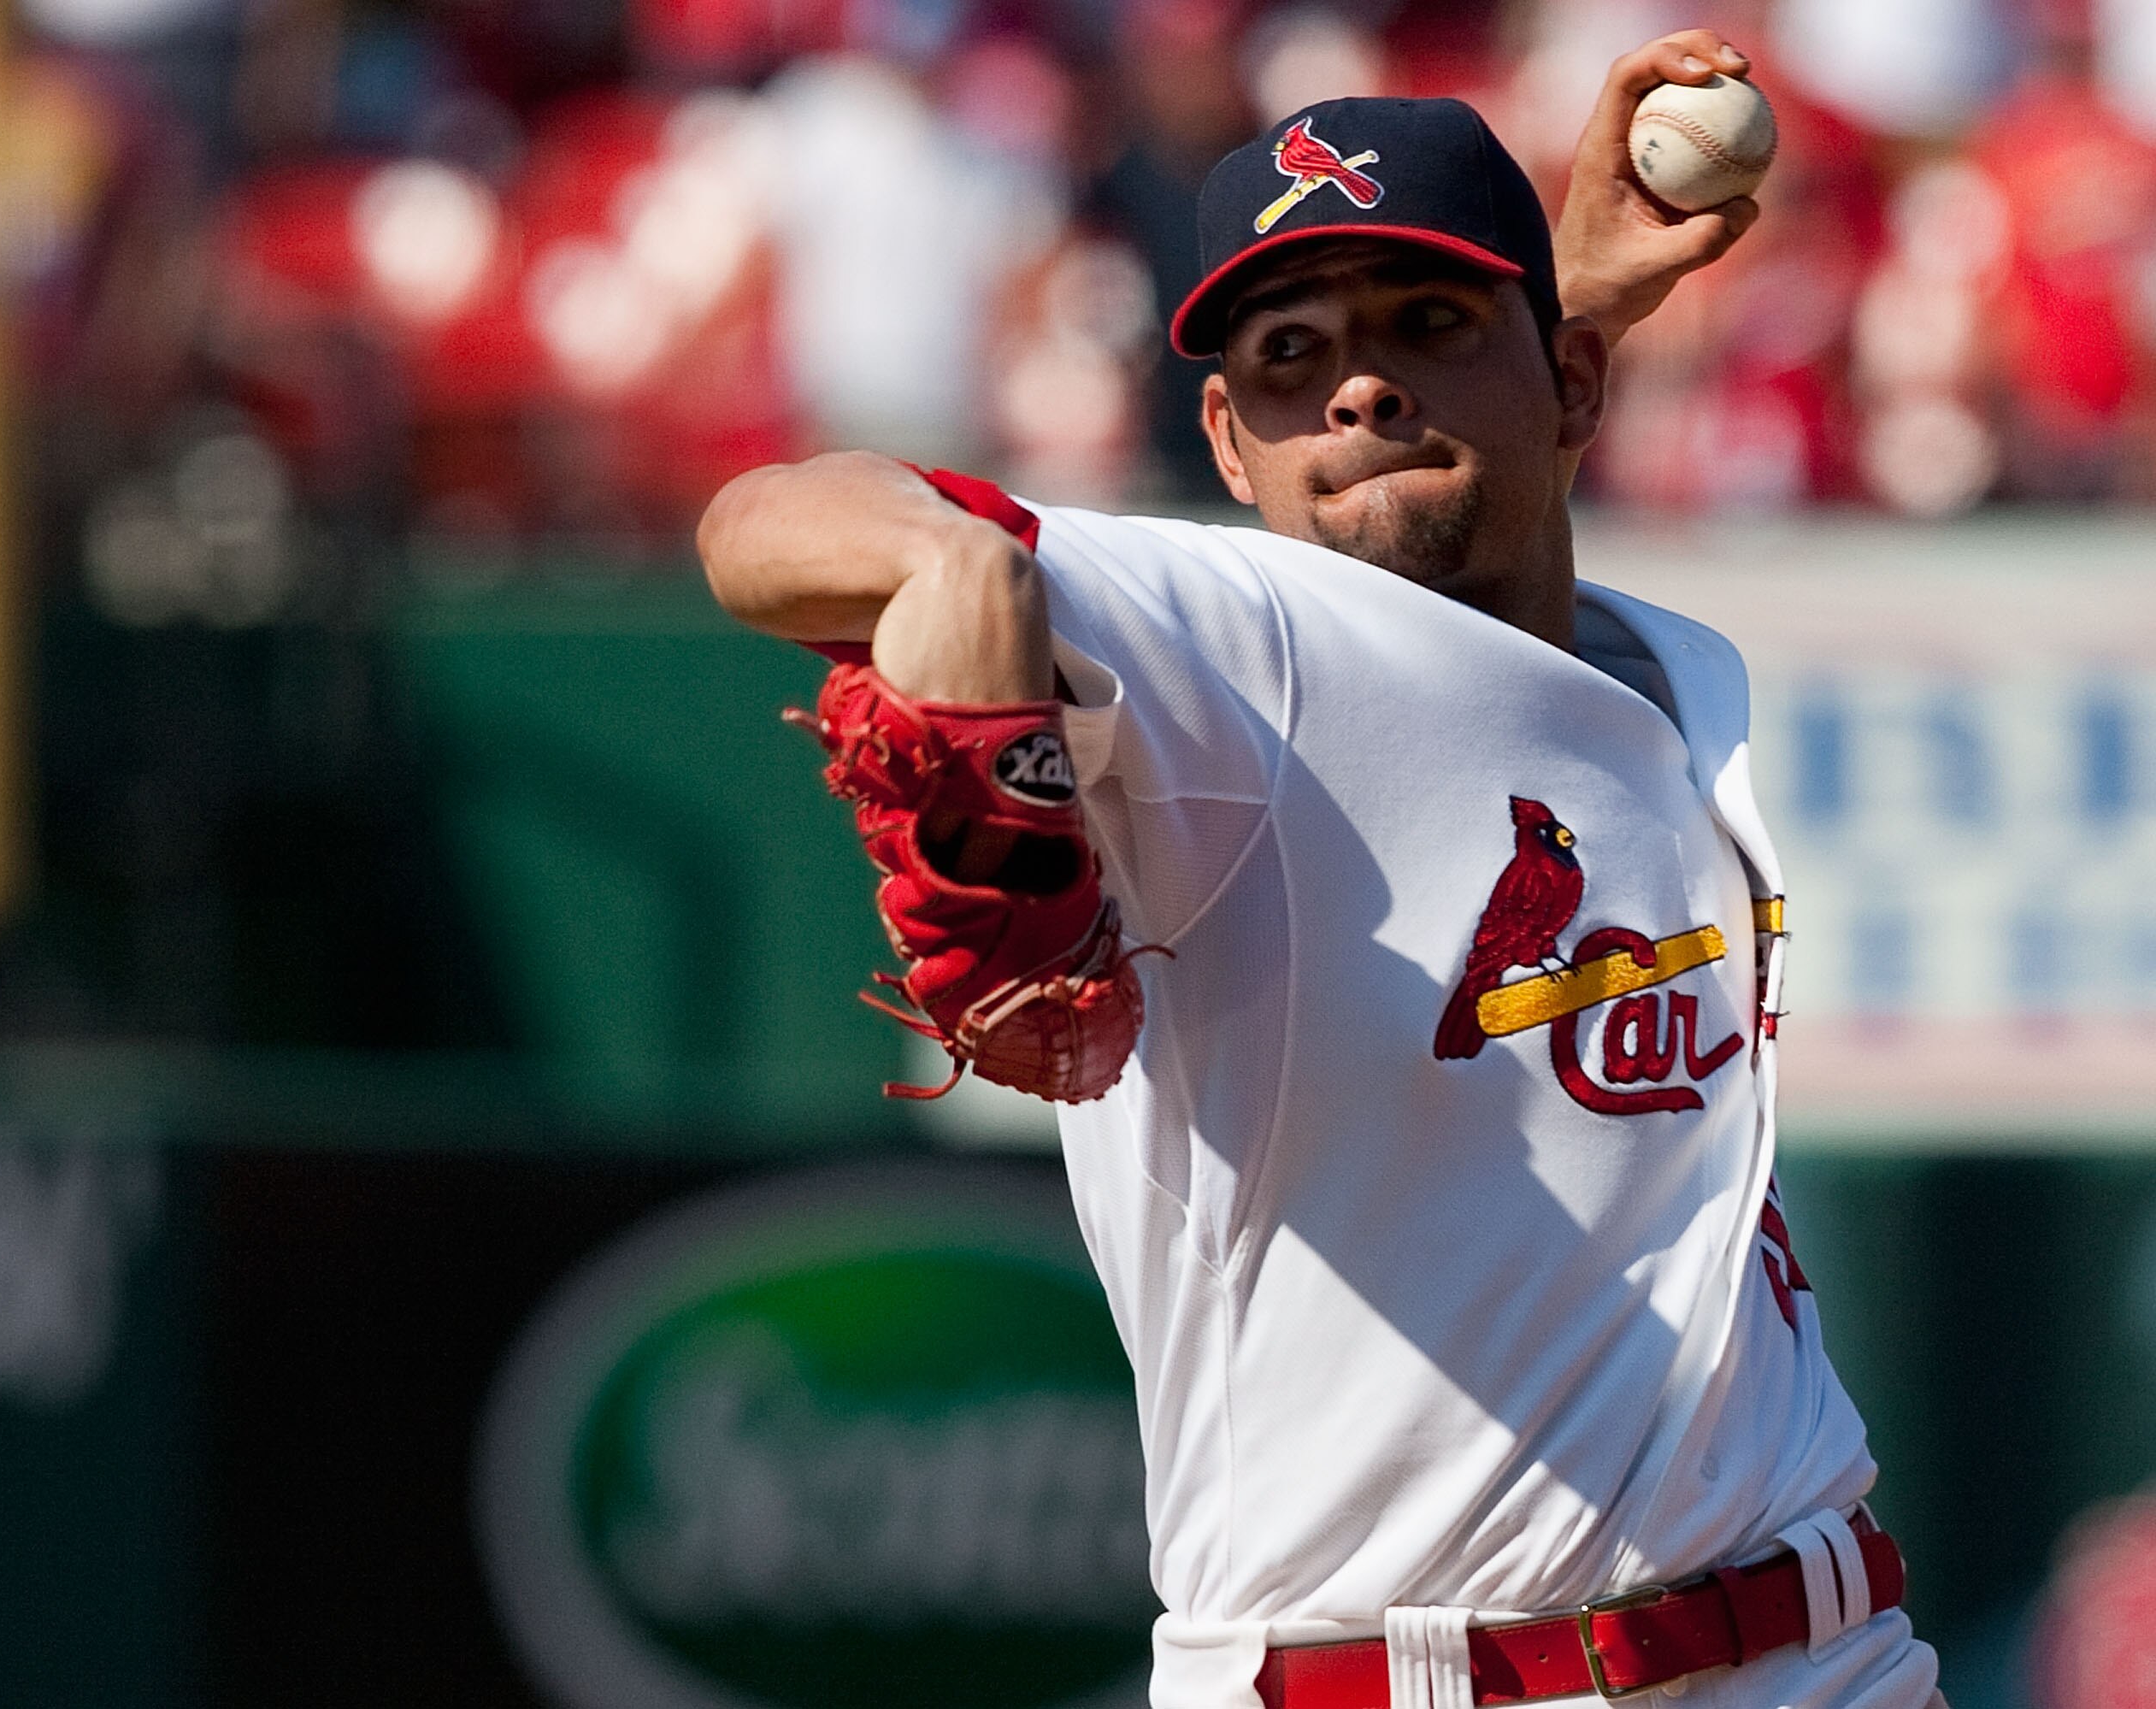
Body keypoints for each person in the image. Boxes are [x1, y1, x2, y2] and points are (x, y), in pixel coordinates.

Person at [697, 30, 1946, 1709]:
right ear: (1226, 443)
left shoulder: (1666, 666)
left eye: (1429, 325)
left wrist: (1545, 308)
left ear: (1574, 379)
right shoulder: (1243, 647)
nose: (1357, 388)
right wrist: (952, 555)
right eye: (1290, 357)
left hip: (1828, 1650)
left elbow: (1463, 499)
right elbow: (759, 527)